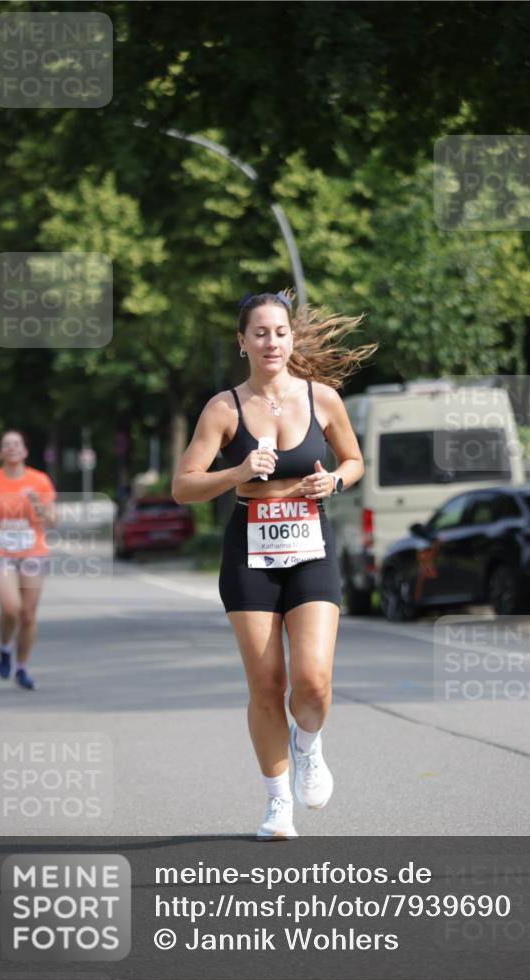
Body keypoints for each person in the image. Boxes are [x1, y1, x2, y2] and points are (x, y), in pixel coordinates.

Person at [172, 291, 376, 839]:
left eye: (280, 332)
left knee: (311, 681)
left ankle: (308, 745)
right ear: (242, 342)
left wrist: (334, 479)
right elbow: (184, 486)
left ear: (292, 338)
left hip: (311, 543)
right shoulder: (223, 408)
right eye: (259, 333)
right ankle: (277, 802)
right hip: (250, 552)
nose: (271, 342)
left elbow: (354, 461)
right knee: (266, 684)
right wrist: (236, 472)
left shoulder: (324, 399)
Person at [0, 429, 57, 690]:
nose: (12, 448)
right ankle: (5, 647)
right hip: (0, 551)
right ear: (0, 452)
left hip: (33, 551)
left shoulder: (39, 480)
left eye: (17, 444)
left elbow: (52, 520)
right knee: (11, 608)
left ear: (25, 451)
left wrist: (37, 504)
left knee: (28, 615)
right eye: (6, 445)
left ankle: (21, 667)